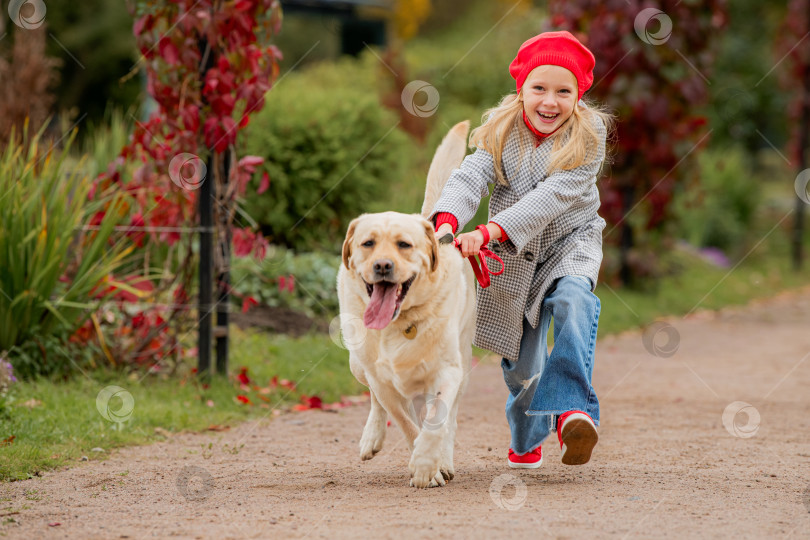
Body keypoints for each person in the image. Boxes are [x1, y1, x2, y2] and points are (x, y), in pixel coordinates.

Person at [428, 30, 615, 469]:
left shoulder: (589, 135)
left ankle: (573, 411)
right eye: (539, 88)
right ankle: (528, 439)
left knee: (574, 300)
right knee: (521, 367)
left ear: (578, 96)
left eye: (563, 91)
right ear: (522, 90)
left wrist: (488, 232)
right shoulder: (501, 129)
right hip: (514, 261)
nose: (550, 101)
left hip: (570, 242)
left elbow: (551, 198)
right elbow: (471, 175)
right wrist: (447, 223)